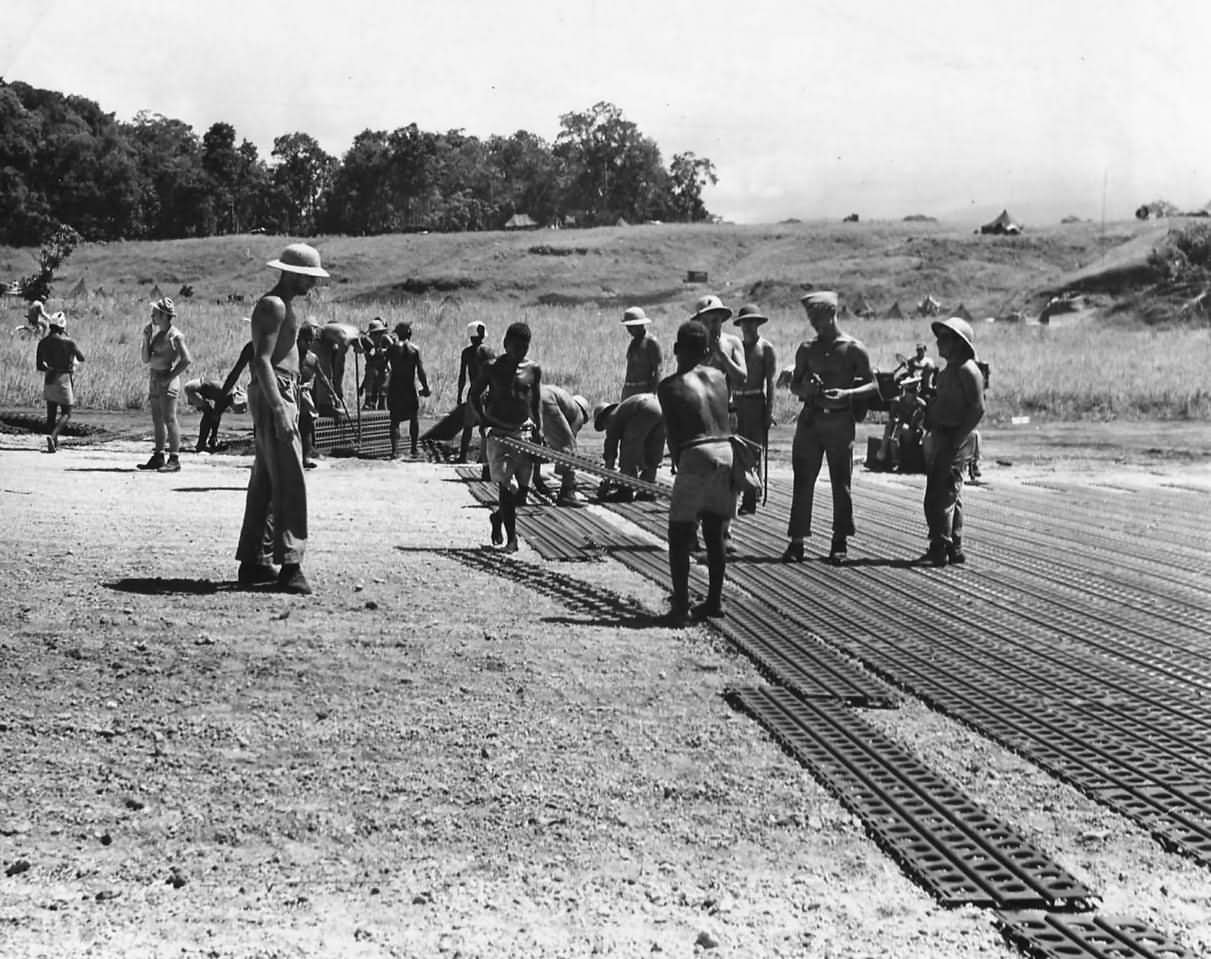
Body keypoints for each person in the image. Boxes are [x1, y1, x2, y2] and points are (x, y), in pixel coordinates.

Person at [235, 242, 329, 595]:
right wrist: (278, 408)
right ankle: (291, 565)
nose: (312, 283)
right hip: (275, 390)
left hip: (280, 389)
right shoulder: (274, 305)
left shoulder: (283, 306)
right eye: (308, 276)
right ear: (290, 273)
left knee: (267, 480)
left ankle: (255, 560)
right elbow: (261, 360)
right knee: (291, 479)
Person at [783, 291, 873, 566]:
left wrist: (847, 395)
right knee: (802, 481)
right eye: (810, 317)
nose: (813, 322)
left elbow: (873, 385)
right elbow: (794, 384)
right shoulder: (806, 349)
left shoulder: (853, 348)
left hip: (839, 421)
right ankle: (796, 541)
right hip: (810, 420)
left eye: (817, 316)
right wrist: (805, 388)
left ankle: (840, 540)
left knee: (840, 482)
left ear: (831, 314)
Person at [658, 321, 733, 623]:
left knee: (679, 534)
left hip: (696, 451)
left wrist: (680, 466)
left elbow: (675, 435)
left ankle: (680, 607)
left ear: (676, 349)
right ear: (706, 351)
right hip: (727, 452)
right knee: (715, 532)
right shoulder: (720, 377)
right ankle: (714, 602)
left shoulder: (668, 386)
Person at [468, 321, 542, 553]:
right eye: (516, 345)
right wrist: (483, 419)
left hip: (523, 432)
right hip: (499, 433)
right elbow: (474, 394)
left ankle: (498, 517)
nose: (520, 350)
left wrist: (539, 429)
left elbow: (535, 401)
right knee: (506, 486)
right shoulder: (492, 367)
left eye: (525, 346)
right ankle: (512, 540)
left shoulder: (533, 369)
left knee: (522, 492)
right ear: (505, 344)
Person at [920, 317, 985, 566]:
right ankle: (953, 547)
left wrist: (957, 438)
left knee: (942, 495)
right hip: (943, 435)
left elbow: (978, 408)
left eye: (944, 338)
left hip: (955, 438)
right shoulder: (947, 372)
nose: (938, 343)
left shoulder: (968, 371)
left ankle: (940, 546)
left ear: (958, 343)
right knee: (948, 493)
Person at [137, 297, 192, 473]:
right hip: (154, 379)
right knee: (157, 419)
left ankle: (174, 458)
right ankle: (158, 455)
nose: (152, 316)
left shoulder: (175, 336)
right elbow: (146, 359)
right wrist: (146, 339)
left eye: (155, 313)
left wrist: (169, 377)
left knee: (169, 418)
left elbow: (186, 360)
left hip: (167, 380)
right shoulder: (158, 335)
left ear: (163, 315)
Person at [732, 304, 777, 515]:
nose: (748, 326)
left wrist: (769, 413)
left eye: (752, 322)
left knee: (752, 451)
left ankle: (750, 498)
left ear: (758, 324)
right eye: (745, 322)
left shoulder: (766, 348)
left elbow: (771, 383)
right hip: (736, 404)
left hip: (755, 402)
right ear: (740, 325)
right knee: (734, 450)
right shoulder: (737, 347)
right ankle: (736, 493)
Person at [593, 392, 666, 502]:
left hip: (644, 407)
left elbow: (610, 452)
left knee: (628, 450)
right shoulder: (624, 411)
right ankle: (647, 490)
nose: (606, 429)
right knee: (654, 450)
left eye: (604, 426)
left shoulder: (613, 417)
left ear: (603, 418)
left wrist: (606, 481)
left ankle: (625, 490)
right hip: (662, 408)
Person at [184, 341, 253, 452]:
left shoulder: (229, 393)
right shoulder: (227, 396)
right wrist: (214, 435)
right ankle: (201, 445)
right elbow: (216, 416)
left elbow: (218, 415)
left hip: (195, 387)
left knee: (210, 413)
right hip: (192, 388)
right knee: (209, 414)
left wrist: (214, 435)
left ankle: (203, 443)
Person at [35, 311, 84, 453]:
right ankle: (53, 436)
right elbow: (81, 358)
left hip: (49, 378)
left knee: (51, 414)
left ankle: (53, 444)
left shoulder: (42, 343)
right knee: (67, 413)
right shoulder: (68, 342)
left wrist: (50, 368)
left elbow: (39, 366)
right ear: (62, 327)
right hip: (64, 378)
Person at [536, 384, 590, 505]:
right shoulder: (578, 414)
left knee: (536, 445)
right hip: (546, 399)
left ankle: (536, 479)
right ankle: (567, 493)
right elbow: (569, 443)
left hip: (534, 395)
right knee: (569, 448)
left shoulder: (564, 403)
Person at [385, 321, 431, 458]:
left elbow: (382, 365)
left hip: (395, 386)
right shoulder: (415, 349)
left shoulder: (392, 348)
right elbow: (420, 371)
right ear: (409, 333)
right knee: (413, 418)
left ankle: (394, 451)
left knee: (394, 420)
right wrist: (426, 387)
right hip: (409, 386)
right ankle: (414, 449)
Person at [456, 321, 495, 468]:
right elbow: (494, 373)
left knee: (468, 426)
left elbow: (462, 376)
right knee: (485, 426)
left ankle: (462, 456)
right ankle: (483, 457)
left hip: (473, 391)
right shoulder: (489, 351)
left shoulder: (466, 353)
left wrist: (459, 394)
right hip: (487, 391)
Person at [620, 306, 662, 399]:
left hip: (644, 392)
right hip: (629, 390)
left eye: (632, 326)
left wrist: (653, 395)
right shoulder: (633, 343)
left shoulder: (651, 342)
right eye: (628, 326)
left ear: (641, 325)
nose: (629, 330)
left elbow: (658, 370)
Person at [296, 321, 320, 468]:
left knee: (306, 427)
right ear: (299, 339)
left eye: (312, 341)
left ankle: (305, 458)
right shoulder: (289, 354)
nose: (309, 344)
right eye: (307, 340)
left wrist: (334, 395)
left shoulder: (312, 358)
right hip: (290, 393)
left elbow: (321, 376)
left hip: (304, 395)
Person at [359, 317, 392, 410]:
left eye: (378, 333)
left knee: (383, 400)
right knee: (369, 401)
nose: (375, 336)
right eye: (373, 334)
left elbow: (395, 349)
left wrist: (384, 352)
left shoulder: (385, 339)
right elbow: (369, 369)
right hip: (372, 375)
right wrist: (362, 386)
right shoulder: (367, 342)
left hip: (384, 372)